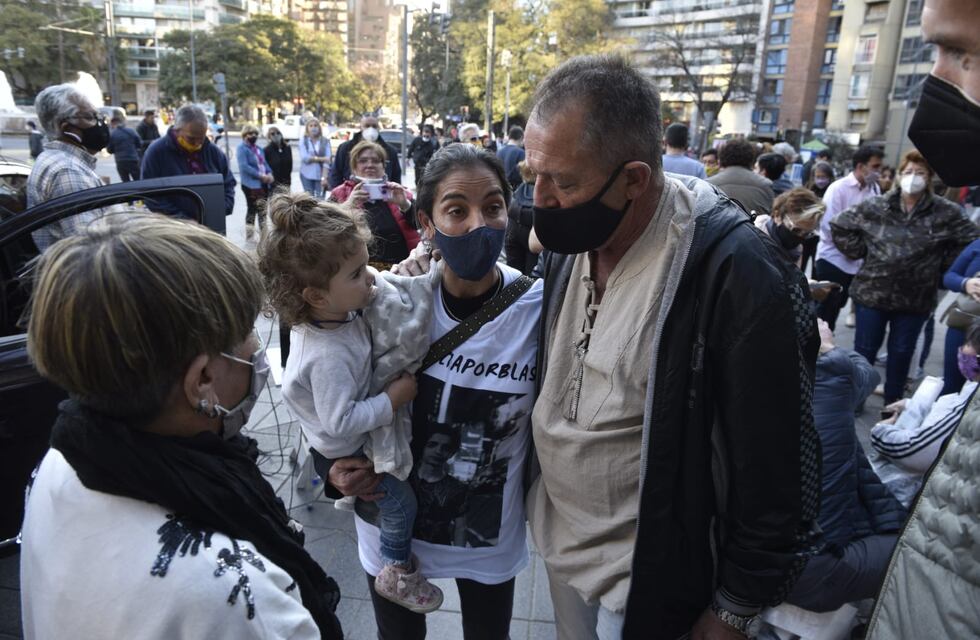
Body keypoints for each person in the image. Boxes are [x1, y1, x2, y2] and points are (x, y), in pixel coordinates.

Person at [524, 55, 818, 640]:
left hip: (650, 580)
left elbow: (776, 465)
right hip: (558, 547)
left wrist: (735, 606)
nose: (542, 199)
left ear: (634, 178)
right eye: (533, 174)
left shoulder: (734, 271)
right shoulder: (572, 238)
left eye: (563, 181)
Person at [19, 212, 342, 639]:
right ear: (202, 380)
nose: (257, 349)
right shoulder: (230, 593)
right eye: (248, 333)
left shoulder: (64, 459)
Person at [326, 144, 543, 640]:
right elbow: (327, 395)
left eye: (492, 207)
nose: (477, 224)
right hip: (394, 534)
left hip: (487, 535)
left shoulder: (538, 308)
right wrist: (331, 470)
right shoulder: (389, 303)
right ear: (426, 221)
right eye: (456, 210)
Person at [258, 192, 444, 614]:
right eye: (358, 274)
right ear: (317, 296)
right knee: (400, 501)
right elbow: (341, 422)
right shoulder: (326, 356)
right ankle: (397, 570)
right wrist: (391, 400)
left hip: (345, 422)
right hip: (345, 446)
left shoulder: (338, 313)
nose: (371, 279)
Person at [867, 2, 980, 636]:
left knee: (905, 358)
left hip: (910, 305)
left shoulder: (947, 217)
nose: (933, 77)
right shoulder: (879, 207)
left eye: (961, 53)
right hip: (876, 295)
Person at [831, 149, 978, 404]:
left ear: (929, 178)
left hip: (916, 298)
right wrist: (862, 252)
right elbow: (840, 224)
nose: (913, 177)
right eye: (908, 172)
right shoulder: (877, 205)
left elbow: (970, 239)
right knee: (864, 352)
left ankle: (893, 405)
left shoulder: (945, 211)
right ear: (899, 176)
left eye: (919, 173)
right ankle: (855, 401)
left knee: (901, 354)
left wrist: (944, 265)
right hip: (872, 293)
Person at [782, 319, 905, 613]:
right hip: (806, 568)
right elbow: (865, 376)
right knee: (922, 555)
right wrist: (827, 348)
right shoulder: (827, 387)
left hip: (763, 556)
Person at [870, 327, 977, 505]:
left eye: (971, 346)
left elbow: (914, 451)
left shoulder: (972, 404)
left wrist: (880, 431)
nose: (963, 350)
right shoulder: (972, 387)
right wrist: (913, 406)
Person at [26, 83, 110, 252]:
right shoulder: (68, 172)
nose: (99, 124)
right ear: (66, 128)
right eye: (90, 117)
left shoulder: (54, 160)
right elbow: (91, 250)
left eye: (98, 116)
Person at [813, 144, 884, 330]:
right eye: (875, 167)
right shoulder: (838, 188)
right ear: (861, 166)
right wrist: (856, 247)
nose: (879, 172)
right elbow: (829, 226)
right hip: (833, 259)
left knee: (838, 306)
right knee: (826, 311)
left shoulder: (874, 190)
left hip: (858, 263)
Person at [328, 141, 419, 269]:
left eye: (376, 161)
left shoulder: (398, 192)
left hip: (401, 270)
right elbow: (325, 232)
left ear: (383, 166)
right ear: (354, 167)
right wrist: (347, 206)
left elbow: (421, 225)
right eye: (363, 161)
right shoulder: (339, 194)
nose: (370, 165)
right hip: (359, 272)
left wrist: (405, 205)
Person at [141, 103, 236, 220]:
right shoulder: (156, 152)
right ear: (177, 130)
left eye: (201, 137)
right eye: (191, 138)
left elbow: (228, 182)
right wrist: (182, 219)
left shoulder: (212, 151)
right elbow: (149, 193)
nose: (198, 143)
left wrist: (223, 207)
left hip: (211, 224)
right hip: (174, 229)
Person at [941, 237, 980, 394]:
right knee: (951, 387)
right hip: (964, 324)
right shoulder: (978, 244)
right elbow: (949, 277)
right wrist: (965, 283)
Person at [753, 187, 825, 267]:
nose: (799, 237)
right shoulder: (755, 236)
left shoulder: (796, 251)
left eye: (807, 234)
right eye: (795, 230)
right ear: (778, 215)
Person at [329, 115, 401, 189]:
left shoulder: (390, 151)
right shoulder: (345, 148)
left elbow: (396, 177)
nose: (371, 129)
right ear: (361, 127)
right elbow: (335, 174)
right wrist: (340, 195)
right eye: (367, 126)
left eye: (374, 126)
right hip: (350, 195)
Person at [708, 138, 775, 216]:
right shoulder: (766, 185)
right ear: (752, 159)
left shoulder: (708, 184)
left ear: (720, 160)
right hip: (754, 227)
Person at [236, 124, 274, 239]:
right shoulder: (241, 148)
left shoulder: (258, 149)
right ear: (244, 135)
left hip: (263, 183)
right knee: (252, 209)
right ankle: (249, 235)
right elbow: (244, 167)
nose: (253, 136)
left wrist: (269, 173)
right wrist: (261, 176)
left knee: (263, 210)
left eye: (255, 134)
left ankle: (264, 235)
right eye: (250, 133)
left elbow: (264, 163)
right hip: (250, 184)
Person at [504, 160, 538, 276]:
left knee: (514, 274)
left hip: (513, 232)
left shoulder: (519, 192)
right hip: (532, 235)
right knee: (529, 277)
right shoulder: (541, 195)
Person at [299, 118, 331, 198]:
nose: (313, 128)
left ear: (319, 127)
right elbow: (305, 158)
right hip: (306, 174)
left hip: (321, 175)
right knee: (309, 199)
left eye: (316, 125)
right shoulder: (304, 140)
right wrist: (322, 159)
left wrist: (324, 177)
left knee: (320, 200)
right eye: (311, 126)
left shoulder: (325, 141)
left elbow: (328, 160)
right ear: (307, 128)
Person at [106, 115, 143, 183]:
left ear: (113, 123)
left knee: (125, 182)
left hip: (120, 161)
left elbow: (109, 150)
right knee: (138, 181)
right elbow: (139, 143)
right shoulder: (131, 131)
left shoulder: (113, 134)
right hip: (133, 159)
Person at [264, 126, 293, 190]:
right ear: (269, 136)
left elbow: (290, 164)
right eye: (273, 134)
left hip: (286, 181)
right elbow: (266, 166)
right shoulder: (267, 150)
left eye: (278, 133)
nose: (276, 135)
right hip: (274, 182)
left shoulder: (287, 148)